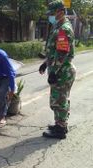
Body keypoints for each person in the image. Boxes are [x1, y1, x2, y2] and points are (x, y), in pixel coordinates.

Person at [39, 0, 76, 139]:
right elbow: (55, 50)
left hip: (62, 70)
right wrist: (45, 63)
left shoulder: (63, 28)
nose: (51, 16)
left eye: (52, 13)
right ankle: (59, 124)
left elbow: (62, 52)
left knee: (60, 100)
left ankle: (60, 130)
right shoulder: (58, 25)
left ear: (60, 11)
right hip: (59, 68)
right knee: (59, 98)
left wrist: (53, 70)